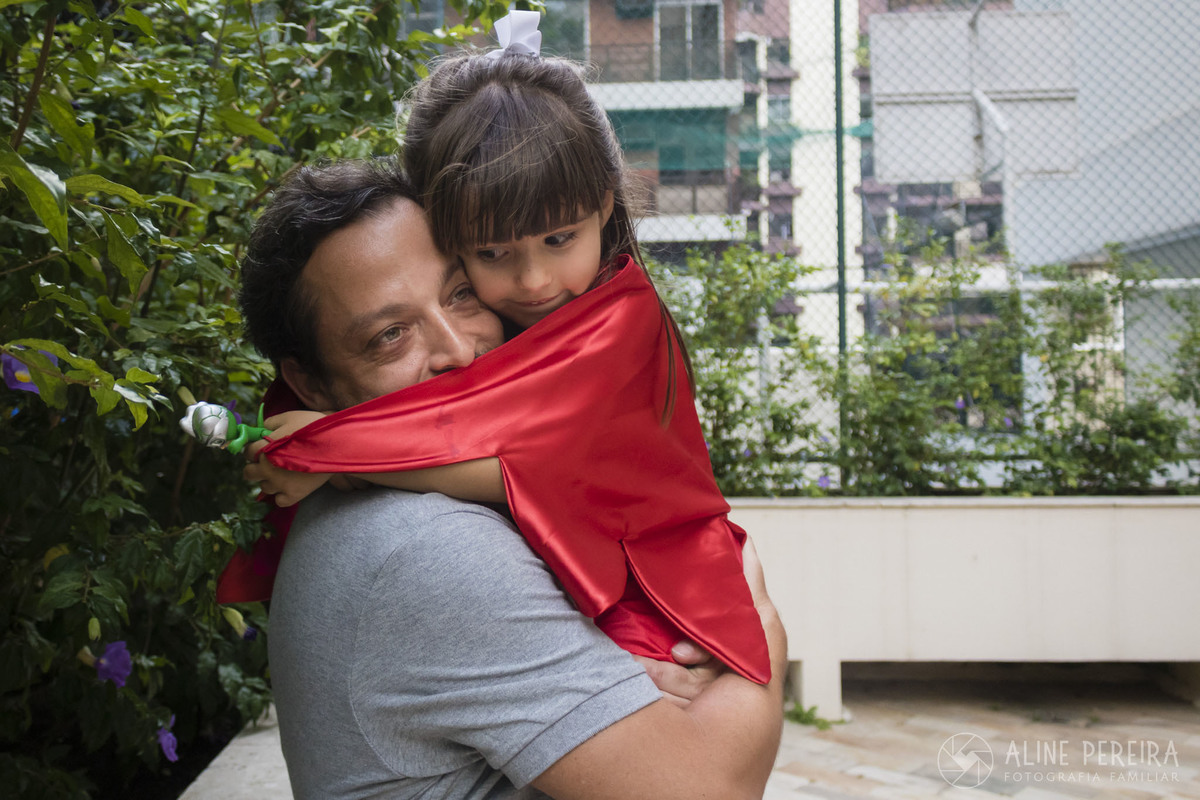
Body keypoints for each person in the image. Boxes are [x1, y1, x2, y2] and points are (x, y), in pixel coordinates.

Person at [241, 11, 772, 685]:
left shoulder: (616, 324)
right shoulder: (536, 318)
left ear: (605, 204)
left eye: (558, 240)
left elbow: (527, 469)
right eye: (492, 254)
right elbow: (474, 426)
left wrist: (335, 451)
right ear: (448, 229)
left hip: (659, 582)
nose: (534, 281)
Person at [239, 158, 787, 798]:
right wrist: (761, 628)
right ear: (306, 383)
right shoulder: (429, 549)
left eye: (461, 294)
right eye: (390, 335)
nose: (459, 350)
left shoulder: (417, 496)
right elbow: (709, 790)